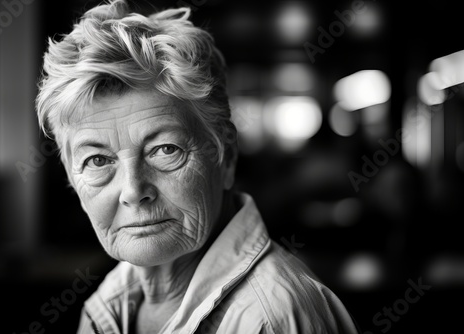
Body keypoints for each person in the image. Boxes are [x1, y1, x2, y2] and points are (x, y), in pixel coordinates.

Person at [35, 0, 360, 333]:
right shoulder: (106, 307)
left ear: (227, 156)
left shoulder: (269, 319)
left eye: (164, 150)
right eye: (98, 160)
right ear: (72, 180)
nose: (133, 191)